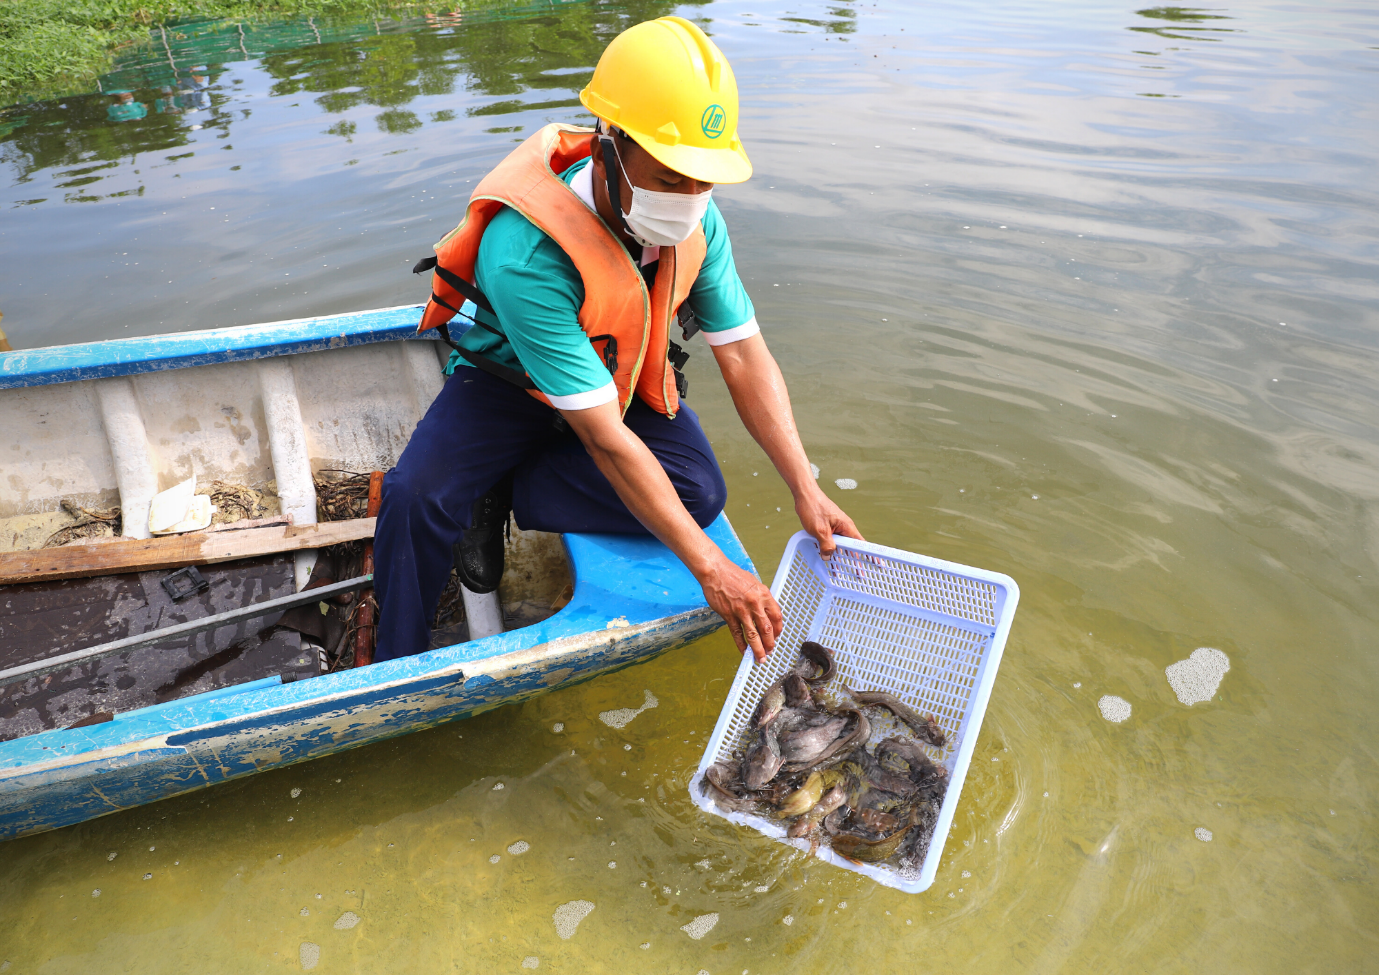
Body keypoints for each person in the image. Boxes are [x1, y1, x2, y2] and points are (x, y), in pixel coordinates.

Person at [374, 16, 860, 663]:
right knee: (417, 497)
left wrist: (805, 485)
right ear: (608, 146)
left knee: (698, 493)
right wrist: (712, 569)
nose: (687, 201)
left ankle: (500, 489)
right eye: (666, 176)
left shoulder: (696, 223)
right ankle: (394, 659)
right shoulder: (528, 251)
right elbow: (603, 436)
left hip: (618, 374)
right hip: (512, 381)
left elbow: (742, 353)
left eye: (700, 180)